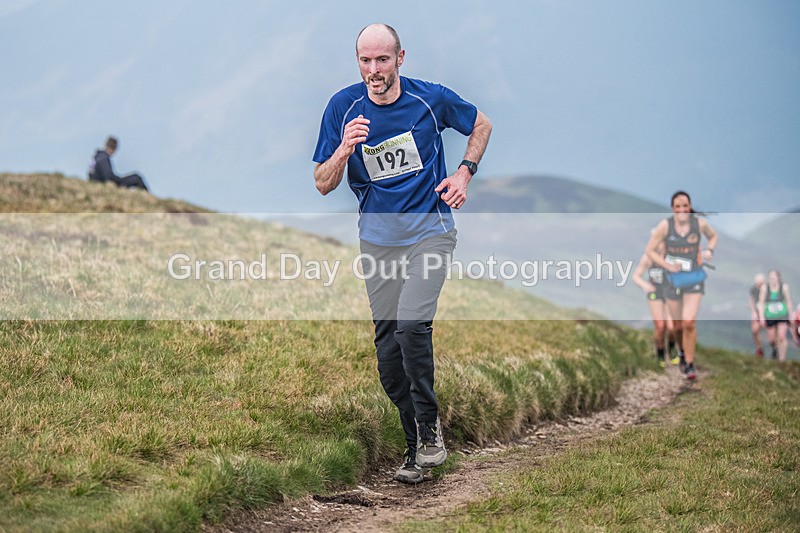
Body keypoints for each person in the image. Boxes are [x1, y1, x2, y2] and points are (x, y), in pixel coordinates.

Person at [313, 23, 491, 484]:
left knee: (413, 325)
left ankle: (430, 431)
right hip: (378, 243)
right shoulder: (342, 107)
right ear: (358, 63)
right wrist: (344, 148)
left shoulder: (429, 100)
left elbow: (481, 124)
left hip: (431, 233)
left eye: (383, 60)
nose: (374, 70)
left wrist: (464, 174)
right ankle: (416, 448)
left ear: (400, 59)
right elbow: (322, 182)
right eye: (366, 61)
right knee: (390, 360)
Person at [646, 191, 717, 380]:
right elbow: (650, 251)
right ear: (673, 208)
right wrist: (667, 265)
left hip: (694, 278)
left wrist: (709, 250)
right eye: (678, 206)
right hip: (673, 281)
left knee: (688, 322)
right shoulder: (665, 226)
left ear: (690, 205)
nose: (682, 209)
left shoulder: (699, 224)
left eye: (685, 205)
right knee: (676, 327)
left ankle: (690, 364)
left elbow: (713, 236)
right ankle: (682, 351)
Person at [632, 240, 680, 368]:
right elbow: (636, 276)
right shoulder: (647, 258)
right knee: (660, 326)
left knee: (671, 327)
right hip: (655, 293)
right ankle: (660, 354)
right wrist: (644, 285)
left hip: (670, 293)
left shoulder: (673, 257)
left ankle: (671, 348)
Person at [758, 270, 794, 361]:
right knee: (771, 339)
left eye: (774, 277)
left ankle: (782, 358)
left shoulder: (784, 288)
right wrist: (761, 317)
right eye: (771, 277)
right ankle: (775, 349)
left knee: (782, 337)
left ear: (778, 278)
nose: (772, 280)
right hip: (770, 315)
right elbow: (761, 303)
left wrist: (791, 315)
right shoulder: (765, 288)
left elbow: (788, 302)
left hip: (782, 315)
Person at [749, 273, 766, 358]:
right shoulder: (753, 289)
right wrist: (753, 312)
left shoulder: (768, 290)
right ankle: (759, 348)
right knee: (755, 331)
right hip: (757, 313)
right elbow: (751, 301)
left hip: (766, 313)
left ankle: (774, 348)